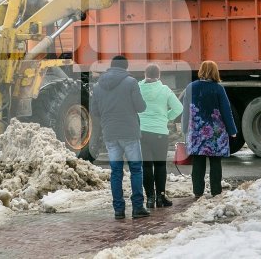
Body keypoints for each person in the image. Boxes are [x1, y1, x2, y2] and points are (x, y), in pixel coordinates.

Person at [90, 55, 149, 219]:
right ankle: (137, 208)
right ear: (126, 67)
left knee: (116, 172)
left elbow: (94, 111)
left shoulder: (98, 85)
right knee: (136, 170)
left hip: (110, 133)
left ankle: (118, 210)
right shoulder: (131, 82)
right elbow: (141, 107)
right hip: (129, 132)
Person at [182, 61, 238, 197]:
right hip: (216, 132)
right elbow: (226, 110)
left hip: (196, 131)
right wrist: (232, 130)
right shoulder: (218, 88)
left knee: (198, 162)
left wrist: (184, 128)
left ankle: (198, 192)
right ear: (215, 72)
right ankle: (216, 191)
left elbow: (186, 110)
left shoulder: (191, 87)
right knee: (215, 162)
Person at [138, 64, 183, 209]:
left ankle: (149, 198)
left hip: (142, 132)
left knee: (146, 166)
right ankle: (160, 197)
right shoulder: (165, 90)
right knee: (160, 165)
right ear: (159, 75)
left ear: (145, 75)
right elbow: (179, 108)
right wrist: (166, 117)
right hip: (159, 133)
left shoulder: (138, 89)